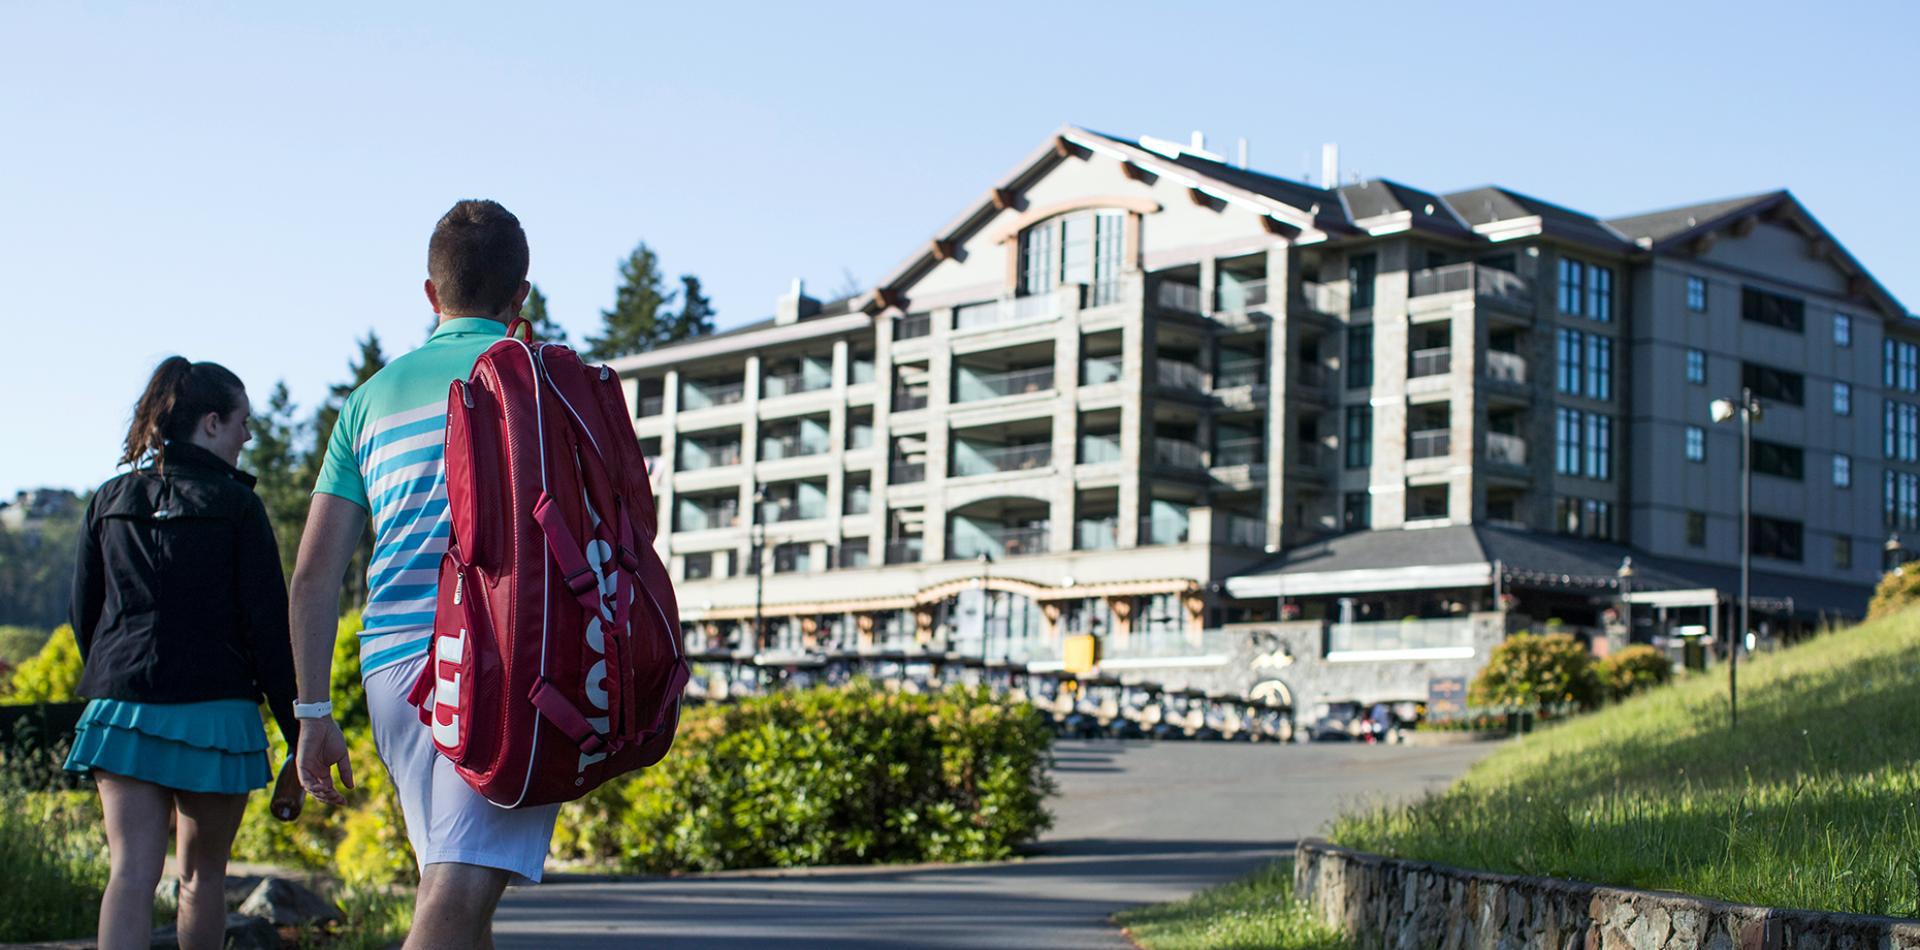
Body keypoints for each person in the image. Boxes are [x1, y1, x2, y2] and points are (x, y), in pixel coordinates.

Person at [288, 199, 559, 949]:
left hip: (395, 671)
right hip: (507, 664)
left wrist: (313, 714)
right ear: (520, 295)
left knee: (459, 895)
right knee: (454, 898)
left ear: (432, 295)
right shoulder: (542, 382)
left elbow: (313, 575)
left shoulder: (368, 401)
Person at [66, 357, 303, 950]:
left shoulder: (109, 499)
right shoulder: (239, 508)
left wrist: (117, 676)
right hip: (216, 716)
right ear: (212, 423)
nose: (249, 436)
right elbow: (270, 632)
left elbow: (84, 615)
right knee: (201, 879)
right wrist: (302, 736)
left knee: (129, 875)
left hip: (123, 713)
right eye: (244, 422)